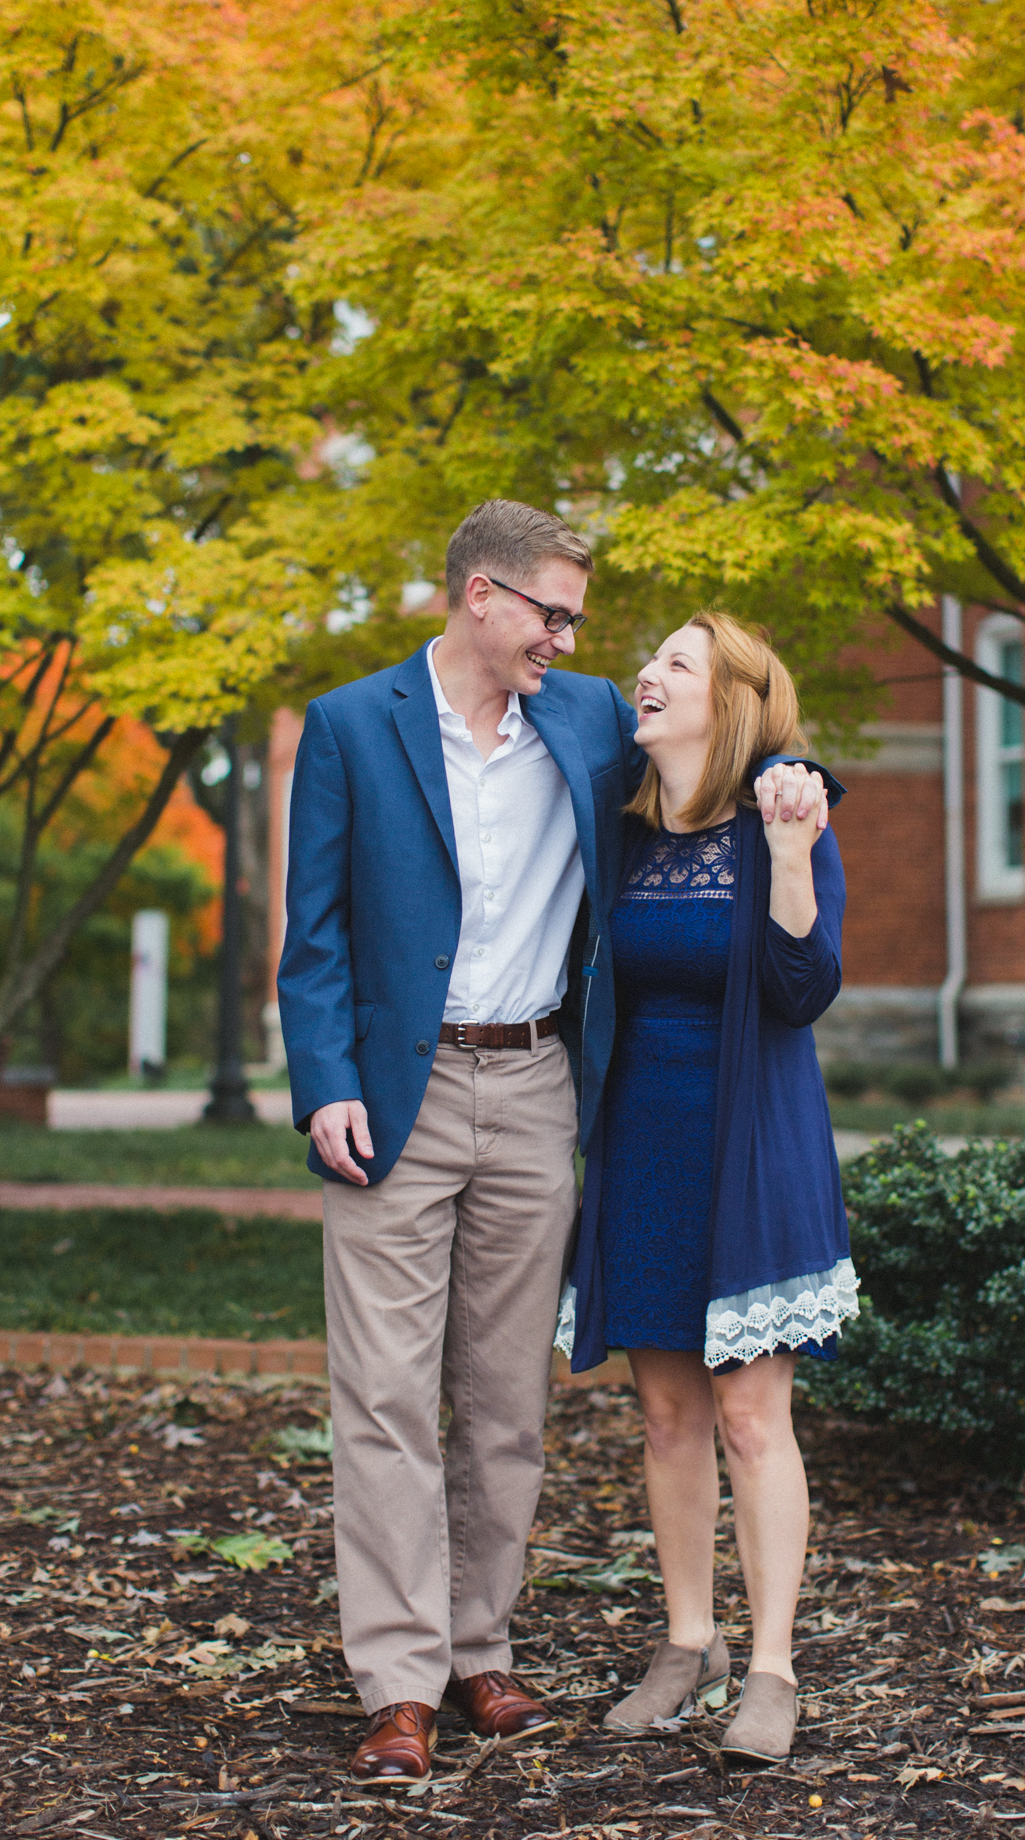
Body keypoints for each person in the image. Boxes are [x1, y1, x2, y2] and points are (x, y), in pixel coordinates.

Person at [277, 498, 643, 1785]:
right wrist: (321, 1079)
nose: (568, 634)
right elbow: (312, 929)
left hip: (540, 1082)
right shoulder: (349, 726)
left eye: (576, 617)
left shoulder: (592, 717)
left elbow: (720, 735)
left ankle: (479, 1645)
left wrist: (796, 785)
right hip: (397, 1090)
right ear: (479, 595)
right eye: (552, 609)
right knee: (382, 1398)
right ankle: (396, 1681)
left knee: (505, 1397)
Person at [557, 611, 858, 1764]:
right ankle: (688, 1642)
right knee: (669, 1414)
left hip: (754, 1143)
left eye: (676, 663)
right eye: (650, 659)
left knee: (747, 1415)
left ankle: (771, 1661)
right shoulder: (624, 834)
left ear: (728, 700)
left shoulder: (788, 812)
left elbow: (802, 988)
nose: (647, 673)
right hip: (641, 1146)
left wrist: (787, 858)